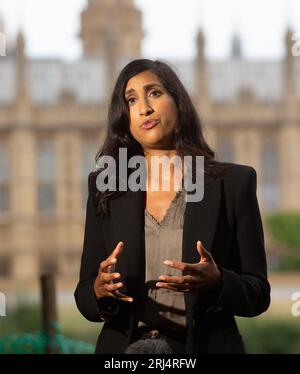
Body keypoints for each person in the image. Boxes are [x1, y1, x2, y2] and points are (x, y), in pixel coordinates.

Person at [74, 59, 271, 354]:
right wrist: (99, 291)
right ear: (124, 116)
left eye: (154, 93)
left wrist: (219, 282)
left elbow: (257, 295)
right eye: (131, 100)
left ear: (179, 103)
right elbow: (84, 297)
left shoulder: (232, 183)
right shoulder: (107, 186)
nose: (144, 108)